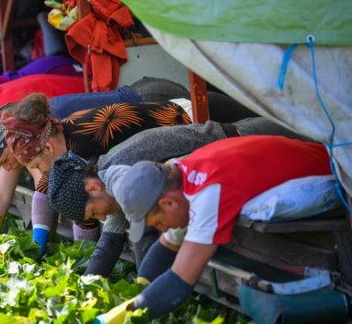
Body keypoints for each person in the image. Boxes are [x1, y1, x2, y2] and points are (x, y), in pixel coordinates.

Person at [88, 136, 331, 324]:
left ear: (168, 203)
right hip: (313, 152)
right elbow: (167, 245)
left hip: (333, 168)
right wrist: (139, 288)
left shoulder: (208, 194)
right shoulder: (180, 175)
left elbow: (179, 281)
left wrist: (119, 319)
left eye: (158, 222)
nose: (161, 229)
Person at [47, 118, 312, 276]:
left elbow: (144, 240)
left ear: (92, 189)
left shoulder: (123, 173)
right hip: (240, 153)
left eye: (94, 213)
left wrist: (142, 292)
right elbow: (112, 239)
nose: (102, 218)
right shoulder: (110, 181)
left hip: (253, 135)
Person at [0, 92, 191, 243]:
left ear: (47, 149)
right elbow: (53, 188)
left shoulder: (83, 146)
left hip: (188, 119)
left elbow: (81, 204)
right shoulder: (61, 141)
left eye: (35, 165)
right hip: (170, 136)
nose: (39, 172)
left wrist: (85, 255)